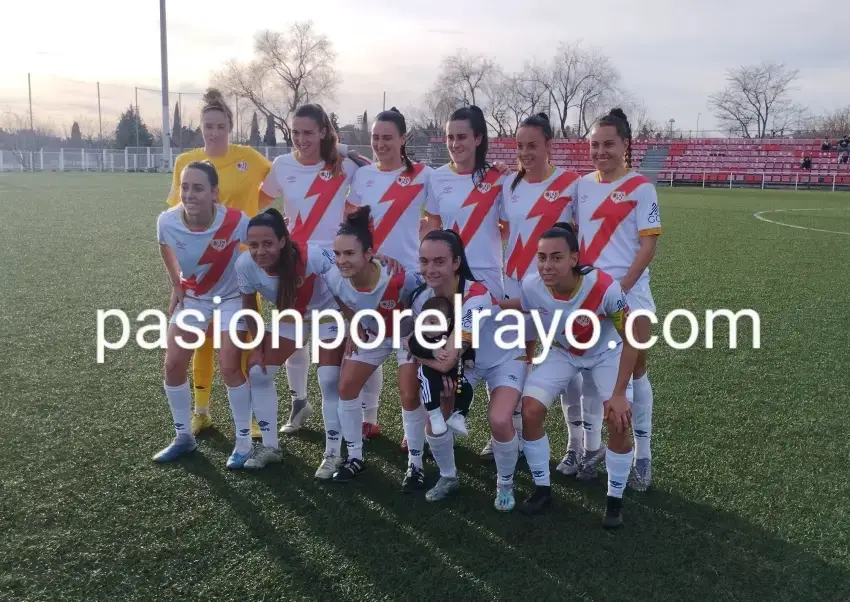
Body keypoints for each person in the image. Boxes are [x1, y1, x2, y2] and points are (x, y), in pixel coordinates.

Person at [259, 104, 381, 439]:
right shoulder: (282, 166)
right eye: (295, 133)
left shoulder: (341, 165)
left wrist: (341, 149)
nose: (301, 139)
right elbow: (259, 201)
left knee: (354, 343)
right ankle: (299, 403)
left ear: (323, 132)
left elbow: (374, 171)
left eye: (308, 132)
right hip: (294, 267)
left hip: (335, 269)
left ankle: (367, 415)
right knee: (293, 340)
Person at [512, 222, 637, 527]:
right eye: (541, 257)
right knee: (530, 409)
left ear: (573, 259)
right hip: (561, 352)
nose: (547, 265)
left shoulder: (604, 286)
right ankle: (542, 489)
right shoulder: (530, 285)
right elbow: (527, 312)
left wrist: (619, 393)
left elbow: (632, 335)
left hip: (607, 352)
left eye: (556, 257)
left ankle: (614, 500)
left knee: (619, 420)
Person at [166, 88, 272, 437]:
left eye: (220, 126)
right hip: (200, 271)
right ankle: (201, 411)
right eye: (208, 126)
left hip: (242, 270)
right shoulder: (187, 162)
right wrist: (177, 278)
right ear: (201, 128)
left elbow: (280, 180)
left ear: (230, 127)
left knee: (239, 342)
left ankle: (251, 418)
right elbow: (176, 213)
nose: (213, 132)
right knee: (202, 342)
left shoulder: (250, 159)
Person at [571, 108, 662, 491]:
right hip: (589, 296)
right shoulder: (581, 186)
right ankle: (592, 450)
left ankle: (643, 455)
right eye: (594, 145)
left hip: (629, 294)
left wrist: (622, 287)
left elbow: (648, 244)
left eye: (609, 144)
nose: (601, 151)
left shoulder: (642, 186)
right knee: (591, 371)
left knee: (635, 371)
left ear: (626, 145)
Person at [408, 229, 527, 511]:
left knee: (499, 420)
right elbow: (428, 348)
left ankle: (505, 485)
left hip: (505, 359)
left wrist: (420, 353)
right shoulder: (420, 297)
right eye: (424, 261)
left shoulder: (477, 296)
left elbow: (444, 356)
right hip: (468, 365)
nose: (430, 269)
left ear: (456, 263)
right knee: (435, 418)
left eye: (439, 261)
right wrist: (437, 369)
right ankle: (448, 478)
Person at [424, 105, 515, 460]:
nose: (455, 143)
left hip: (489, 281)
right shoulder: (436, 178)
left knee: (491, 357)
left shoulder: (499, 178)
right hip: (449, 282)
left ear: (478, 139)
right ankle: (436, 428)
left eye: (462, 136)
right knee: (449, 354)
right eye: (450, 137)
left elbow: (511, 224)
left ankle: (505, 433)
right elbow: (434, 224)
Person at [154, 161, 253, 467]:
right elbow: (164, 247)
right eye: (185, 187)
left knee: (230, 367)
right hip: (194, 298)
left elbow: (266, 248)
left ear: (214, 193)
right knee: (172, 365)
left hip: (231, 298)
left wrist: (256, 287)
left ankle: (244, 442)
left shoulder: (237, 221)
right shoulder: (167, 221)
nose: (189, 194)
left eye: (198, 188)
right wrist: (176, 284)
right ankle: (183, 438)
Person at [346, 107, 435, 442]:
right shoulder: (363, 177)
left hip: (410, 284)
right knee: (370, 350)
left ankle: (417, 431)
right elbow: (353, 226)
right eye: (375, 138)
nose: (380, 144)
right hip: (369, 281)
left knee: (411, 361)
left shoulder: (425, 175)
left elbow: (436, 221)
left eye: (387, 137)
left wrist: (418, 243)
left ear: (403, 139)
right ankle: (369, 420)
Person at [499, 112, 582, 473]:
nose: (525, 152)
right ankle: (512, 434)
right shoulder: (508, 186)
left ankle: (576, 445)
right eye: (520, 146)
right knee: (513, 361)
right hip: (514, 285)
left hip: (558, 292)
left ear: (550, 145)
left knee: (570, 364)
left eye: (533, 145)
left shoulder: (572, 184)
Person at [234, 208, 345, 473]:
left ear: (283, 241)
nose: (260, 251)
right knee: (258, 372)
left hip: (329, 313)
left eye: (268, 243)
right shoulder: (245, 265)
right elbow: (249, 306)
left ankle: (333, 452)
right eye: (254, 245)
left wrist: (354, 327)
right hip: (292, 317)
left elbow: (343, 289)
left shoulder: (313, 255)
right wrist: (259, 347)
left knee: (329, 378)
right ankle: (271, 446)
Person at [321, 206, 425, 483]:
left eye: (350, 253)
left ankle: (416, 464)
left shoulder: (401, 277)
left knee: (408, 393)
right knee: (346, 387)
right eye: (338, 254)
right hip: (372, 334)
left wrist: (416, 336)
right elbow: (344, 304)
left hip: (406, 335)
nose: (342, 260)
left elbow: (427, 303)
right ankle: (355, 457)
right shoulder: (333, 277)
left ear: (369, 254)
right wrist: (354, 326)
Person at [407, 296, 476, 436]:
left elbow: (467, 346)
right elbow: (413, 346)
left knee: (466, 389)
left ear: (447, 322)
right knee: (429, 388)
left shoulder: (453, 334)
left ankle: (459, 416)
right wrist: (432, 351)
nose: (426, 325)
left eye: (432, 322)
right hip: (430, 373)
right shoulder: (420, 336)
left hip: (453, 374)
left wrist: (469, 358)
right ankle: (434, 415)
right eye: (423, 320)